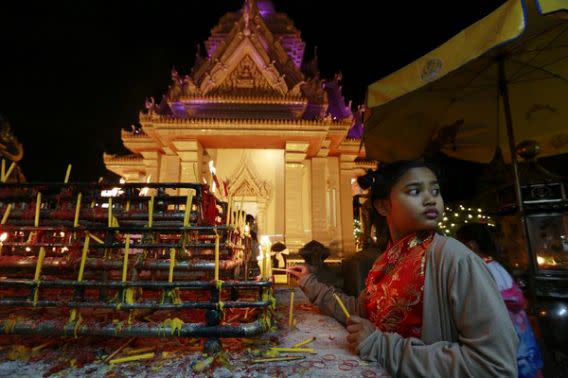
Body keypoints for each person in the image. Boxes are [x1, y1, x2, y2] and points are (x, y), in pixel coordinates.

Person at [288, 160, 519, 377]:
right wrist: (311, 284)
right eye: (415, 191)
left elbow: (495, 365)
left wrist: (383, 347)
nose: (430, 200)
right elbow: (360, 312)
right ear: (382, 205)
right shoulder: (387, 261)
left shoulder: (455, 260)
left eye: (435, 191)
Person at [456, 223, 544, 378]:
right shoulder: (497, 266)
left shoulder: (479, 271)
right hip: (522, 343)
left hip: (502, 347)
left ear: (471, 245)